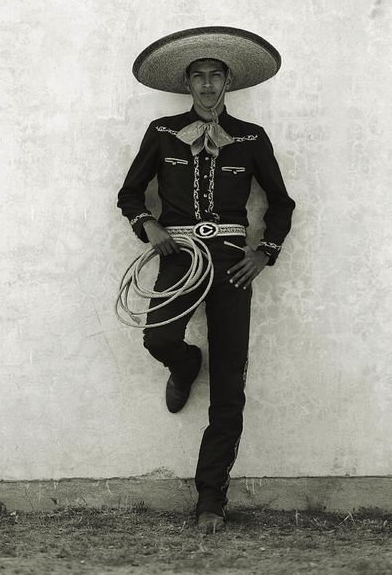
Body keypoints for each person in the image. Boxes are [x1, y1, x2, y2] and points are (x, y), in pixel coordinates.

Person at [116, 27, 295, 534]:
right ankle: (185, 360)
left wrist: (265, 253)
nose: (209, 86)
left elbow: (281, 204)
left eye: (217, 76)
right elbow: (130, 194)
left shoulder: (252, 137)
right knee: (159, 337)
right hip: (179, 256)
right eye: (200, 77)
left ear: (229, 81)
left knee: (230, 383)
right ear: (187, 84)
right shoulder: (163, 132)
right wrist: (148, 226)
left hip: (234, 265)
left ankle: (210, 499)